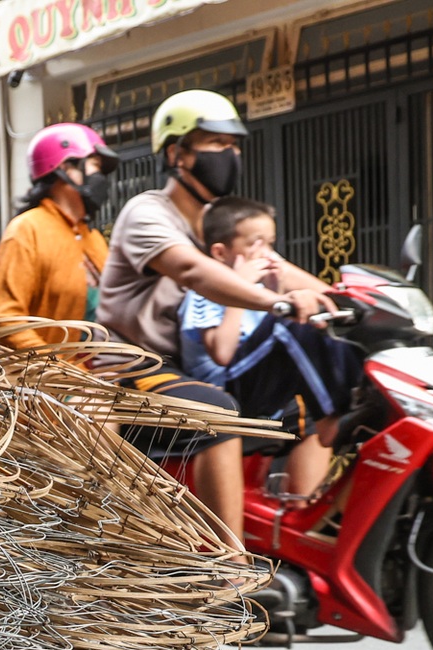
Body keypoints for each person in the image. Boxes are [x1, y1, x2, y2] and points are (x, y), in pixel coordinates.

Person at [98, 89, 330, 537]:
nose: (231, 154)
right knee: (217, 412)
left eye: (233, 145)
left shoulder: (217, 222)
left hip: (195, 370)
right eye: (216, 144)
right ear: (177, 154)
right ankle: (232, 572)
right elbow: (191, 270)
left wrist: (347, 297)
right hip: (137, 370)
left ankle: (297, 543)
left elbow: (275, 268)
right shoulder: (147, 213)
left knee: (315, 403)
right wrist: (270, 301)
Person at [177, 196, 365, 498]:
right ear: (221, 253)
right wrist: (240, 290)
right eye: (255, 244)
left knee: (318, 322)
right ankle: (333, 416)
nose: (266, 253)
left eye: (270, 243)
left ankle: (350, 404)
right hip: (224, 392)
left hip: (257, 381)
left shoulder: (265, 289)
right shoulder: (203, 292)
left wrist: (275, 289)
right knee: (290, 323)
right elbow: (222, 353)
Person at [0, 123, 116, 350]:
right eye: (95, 166)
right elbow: (6, 320)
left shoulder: (94, 238)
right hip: (46, 381)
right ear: (66, 168)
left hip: (105, 376)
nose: (101, 179)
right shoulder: (26, 230)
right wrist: (59, 372)